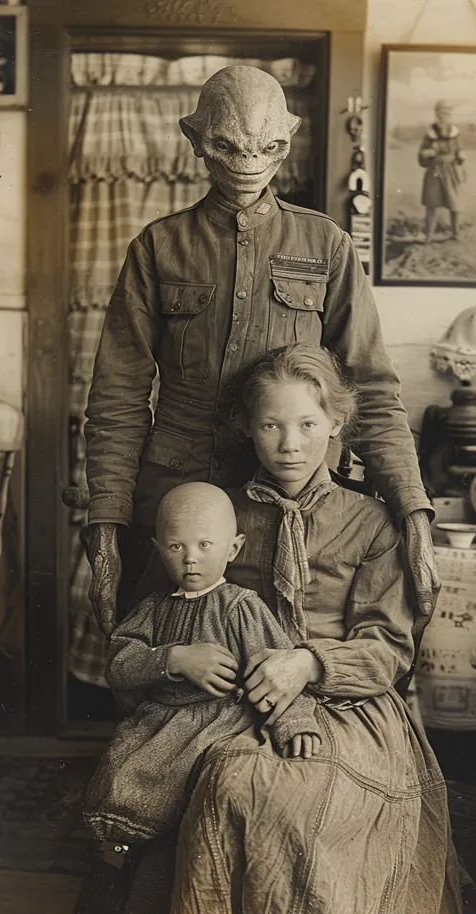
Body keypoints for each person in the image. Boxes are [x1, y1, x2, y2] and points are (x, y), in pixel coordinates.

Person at [131, 345, 469, 914]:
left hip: (349, 705)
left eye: (309, 425)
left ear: (336, 424)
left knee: (284, 796)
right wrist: (185, 657)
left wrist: (309, 663)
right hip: (233, 700)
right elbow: (158, 616)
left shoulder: (369, 522)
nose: (290, 445)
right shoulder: (213, 516)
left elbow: (387, 648)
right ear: (248, 430)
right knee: (232, 777)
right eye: (271, 426)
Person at [81, 64, 439, 643]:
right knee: (166, 664)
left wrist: (413, 510)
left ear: (288, 139)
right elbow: (118, 397)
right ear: (194, 139)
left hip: (292, 497)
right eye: (226, 146)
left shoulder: (327, 245)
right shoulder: (158, 246)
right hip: (176, 495)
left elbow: (370, 389)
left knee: (283, 663)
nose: (248, 165)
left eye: (267, 147)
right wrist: (106, 523)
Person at [84, 482, 322, 844]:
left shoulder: (241, 607)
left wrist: (297, 723)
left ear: (234, 548)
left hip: (218, 720)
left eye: (204, 545)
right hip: (157, 720)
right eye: (176, 546)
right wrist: (173, 658)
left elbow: (278, 667)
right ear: (159, 549)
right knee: (118, 769)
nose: (190, 557)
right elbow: (118, 666)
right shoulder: (153, 607)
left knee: (200, 784)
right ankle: (123, 852)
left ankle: (166, 848)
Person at [418, 100, 466, 243]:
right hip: (435, 171)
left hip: (451, 172)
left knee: (455, 204)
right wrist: (428, 153)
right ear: (436, 114)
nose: (443, 116)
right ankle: (428, 235)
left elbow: (459, 151)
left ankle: (455, 233)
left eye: (446, 113)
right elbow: (421, 155)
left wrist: (461, 156)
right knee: (431, 204)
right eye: (441, 113)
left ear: (450, 115)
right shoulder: (430, 134)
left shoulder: (455, 133)